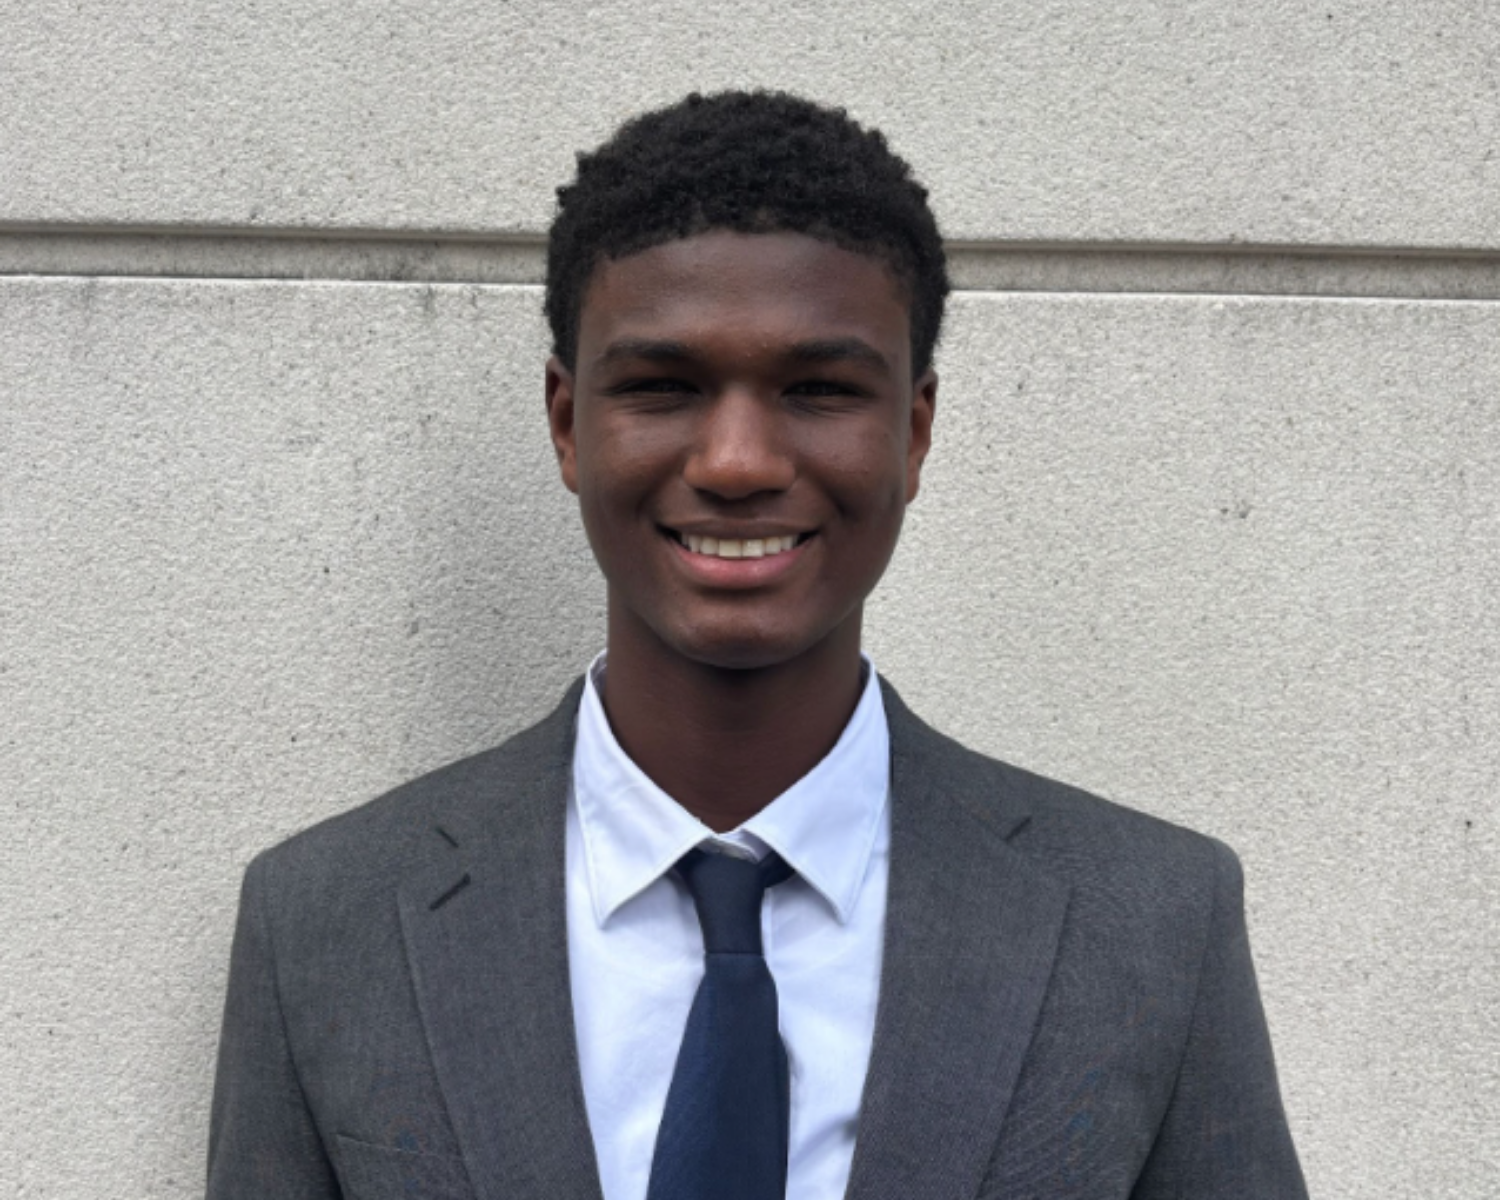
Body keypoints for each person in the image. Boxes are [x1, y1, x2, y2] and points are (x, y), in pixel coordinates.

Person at [206, 91, 1308, 1200]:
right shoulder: (328, 920)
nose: (737, 461)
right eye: (663, 387)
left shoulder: (1153, 923)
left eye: (819, 389)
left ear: (913, 431)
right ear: (568, 423)